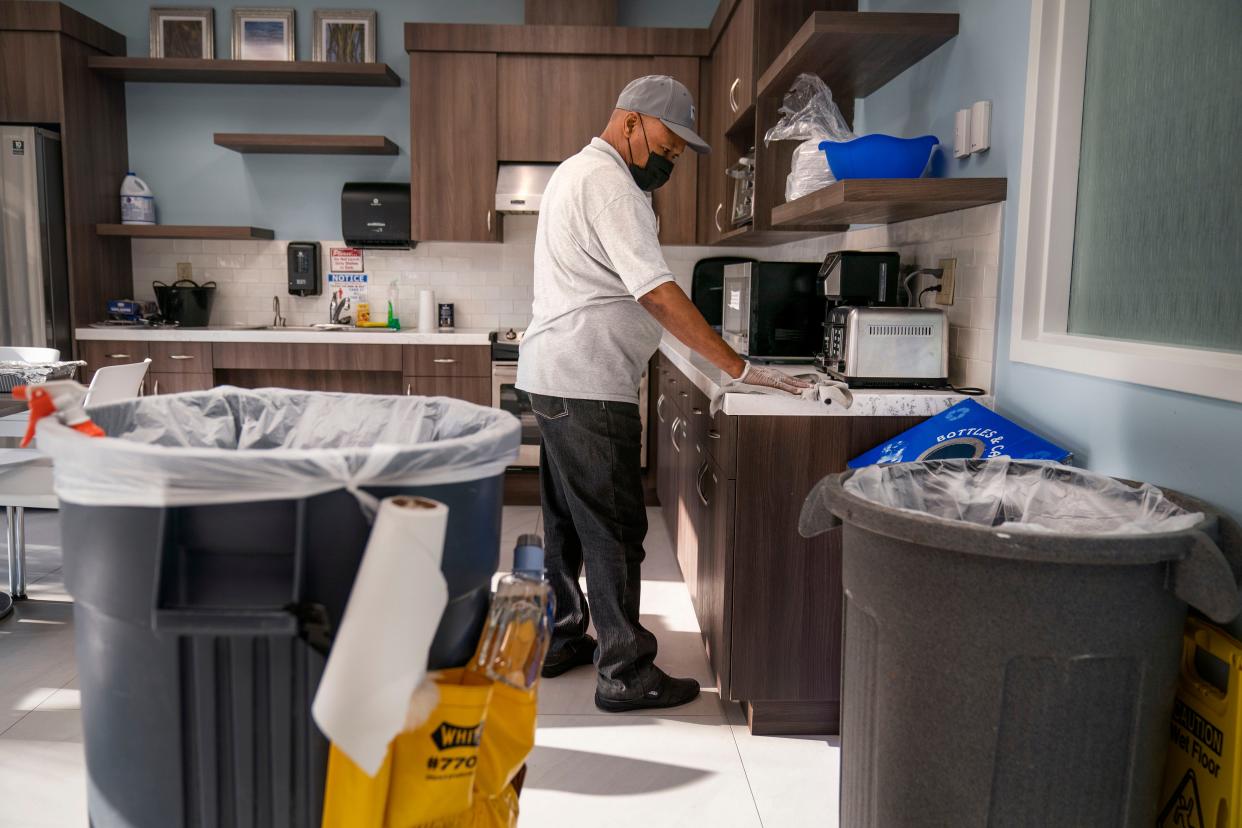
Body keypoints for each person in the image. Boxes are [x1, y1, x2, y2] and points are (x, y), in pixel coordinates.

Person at [516, 75, 810, 712]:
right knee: (615, 528)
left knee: (567, 521)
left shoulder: (576, 172)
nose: (671, 160)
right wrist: (738, 367)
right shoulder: (610, 184)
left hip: (556, 375)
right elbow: (655, 290)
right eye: (669, 146)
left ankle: (565, 635)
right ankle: (623, 671)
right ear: (630, 123)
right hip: (586, 379)